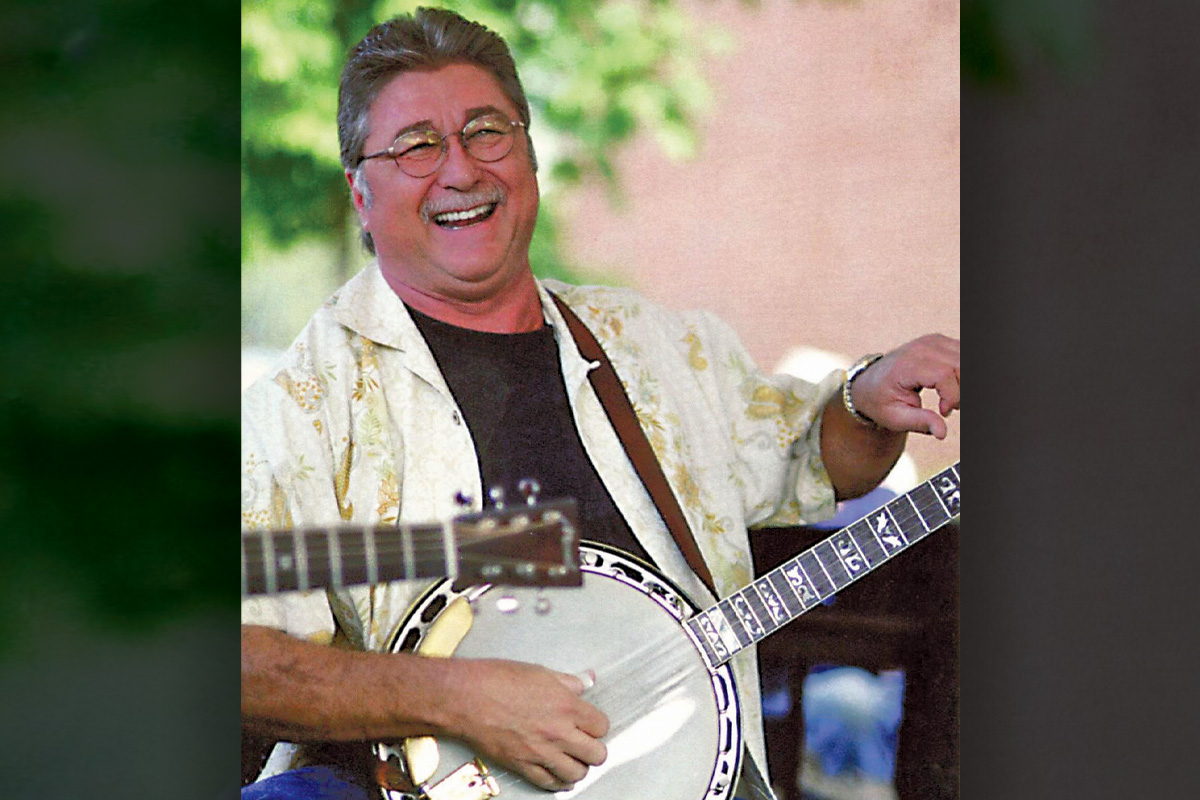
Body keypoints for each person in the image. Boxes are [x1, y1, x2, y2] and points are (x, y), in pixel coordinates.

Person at [240, 7, 960, 799]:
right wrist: (453, 698)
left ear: (529, 156)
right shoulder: (305, 407)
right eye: (417, 146)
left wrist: (867, 397)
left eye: (487, 132)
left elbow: (818, 461)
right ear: (359, 193)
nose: (461, 169)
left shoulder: (655, 347)